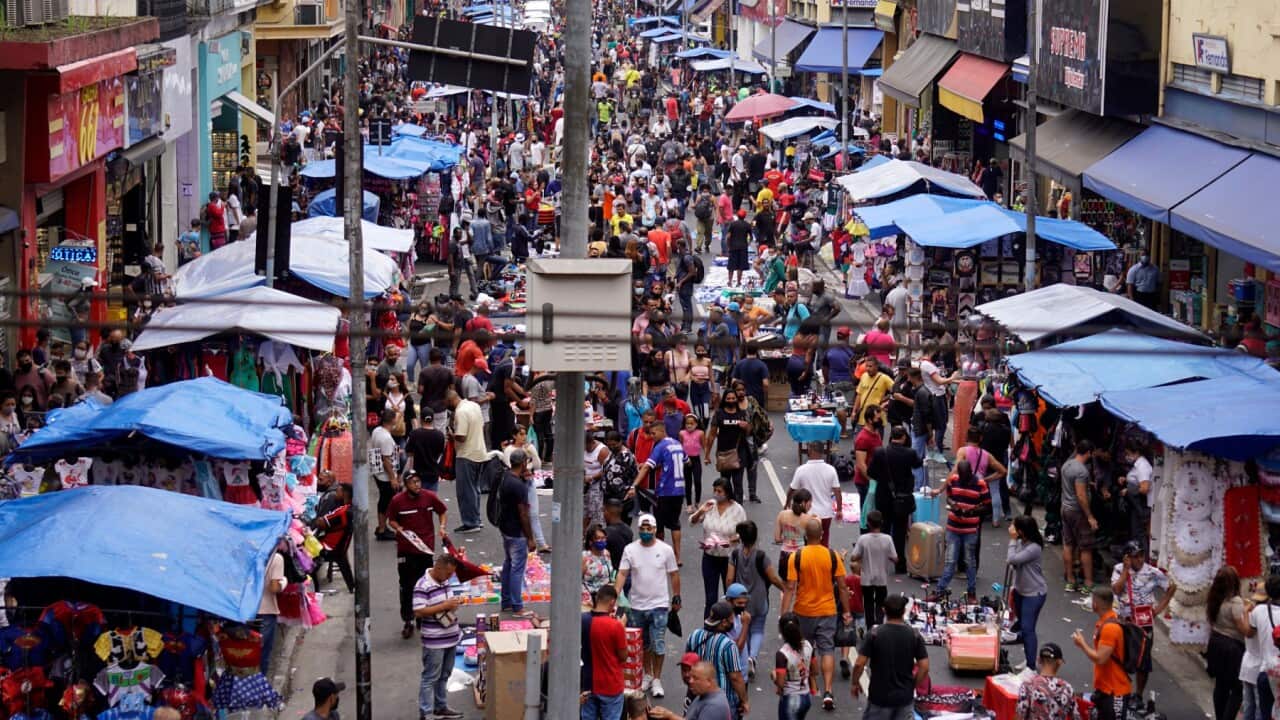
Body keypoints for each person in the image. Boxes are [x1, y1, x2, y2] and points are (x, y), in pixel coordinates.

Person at [782, 519, 852, 711]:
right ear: (821, 535)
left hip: (803, 610)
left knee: (804, 648)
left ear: (805, 535)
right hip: (827, 610)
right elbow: (843, 587)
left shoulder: (796, 557)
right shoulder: (832, 556)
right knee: (827, 649)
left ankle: (805, 686)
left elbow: (790, 587)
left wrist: (784, 614)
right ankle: (828, 690)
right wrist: (846, 612)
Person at [615, 513, 682, 698]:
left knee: (658, 644)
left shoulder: (665, 550)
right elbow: (622, 573)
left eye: (649, 529)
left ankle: (657, 679)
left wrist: (677, 596)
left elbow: (674, 574)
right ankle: (647, 674)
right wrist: (616, 594)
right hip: (637, 605)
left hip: (659, 605)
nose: (645, 532)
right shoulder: (630, 550)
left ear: (654, 529)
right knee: (642, 644)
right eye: (642, 529)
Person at [386, 469, 449, 639]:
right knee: (407, 586)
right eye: (413, 482)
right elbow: (391, 519)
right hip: (406, 550)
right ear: (406, 484)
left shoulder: (429, 497)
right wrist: (398, 528)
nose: (417, 484)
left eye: (418, 481)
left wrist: (442, 527)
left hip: (425, 549)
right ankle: (408, 620)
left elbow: (442, 511)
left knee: (427, 585)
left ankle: (424, 616)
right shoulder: (397, 501)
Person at [849, 594, 930, 720]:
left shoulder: (874, 634)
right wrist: (912, 686)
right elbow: (924, 667)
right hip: (904, 698)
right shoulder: (914, 635)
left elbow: (859, 664)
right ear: (904, 611)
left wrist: (855, 683)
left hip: (879, 698)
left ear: (884, 610)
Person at [1110, 540, 1174, 697]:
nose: (1139, 560)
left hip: (1143, 620)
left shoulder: (1152, 572)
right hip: (1124, 620)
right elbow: (1116, 590)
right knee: (1120, 656)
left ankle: (1138, 695)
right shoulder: (1118, 569)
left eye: (1141, 556)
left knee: (1143, 660)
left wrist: (1158, 610)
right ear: (1127, 557)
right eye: (1135, 556)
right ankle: (1121, 690)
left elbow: (1171, 587)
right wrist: (1126, 570)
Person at [725, 520, 783, 679]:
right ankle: (752, 656)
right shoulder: (761, 556)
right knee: (757, 628)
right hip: (759, 598)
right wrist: (786, 589)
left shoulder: (735, 554)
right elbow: (773, 578)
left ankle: (745, 657)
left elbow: (729, 578)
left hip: (740, 600)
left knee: (745, 628)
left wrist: (729, 596)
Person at [412, 553, 464, 720]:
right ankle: (426, 712)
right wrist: (445, 605)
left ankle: (441, 707)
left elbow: (444, 606)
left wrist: (454, 603)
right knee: (430, 677)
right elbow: (419, 611)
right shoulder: (423, 585)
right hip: (434, 640)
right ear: (438, 568)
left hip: (450, 636)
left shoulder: (444, 581)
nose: (450, 577)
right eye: (448, 573)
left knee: (444, 675)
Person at [930, 459, 990, 602]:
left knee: (970, 561)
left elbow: (987, 506)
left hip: (970, 528)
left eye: (965, 479)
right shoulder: (953, 480)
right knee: (950, 561)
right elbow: (949, 498)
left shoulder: (980, 484)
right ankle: (940, 590)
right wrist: (954, 506)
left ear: (970, 473)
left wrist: (971, 512)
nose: (963, 481)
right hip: (953, 527)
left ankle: (971, 592)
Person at [631, 420, 687, 566]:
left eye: (654, 433)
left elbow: (646, 468)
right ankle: (678, 556)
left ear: (662, 431)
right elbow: (687, 462)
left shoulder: (660, 446)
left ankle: (662, 554)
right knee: (675, 523)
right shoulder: (677, 444)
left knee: (660, 523)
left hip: (665, 489)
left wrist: (634, 485)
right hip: (679, 489)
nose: (652, 436)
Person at [1071, 587, 1131, 720]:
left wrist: (1082, 644)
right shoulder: (1105, 622)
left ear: (1095, 604)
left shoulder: (1110, 628)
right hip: (1104, 688)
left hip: (1115, 691)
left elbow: (1100, 659)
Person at [868, 426, 921, 572]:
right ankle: (900, 563)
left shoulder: (880, 452)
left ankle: (881, 561)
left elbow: (871, 472)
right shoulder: (910, 453)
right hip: (902, 497)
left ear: (891, 437)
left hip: (883, 496)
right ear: (904, 437)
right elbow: (918, 463)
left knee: (883, 528)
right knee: (900, 530)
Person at [690, 478, 747, 617]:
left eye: (719, 491)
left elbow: (745, 531)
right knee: (710, 599)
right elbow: (692, 522)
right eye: (714, 490)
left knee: (731, 596)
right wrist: (701, 511)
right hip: (709, 557)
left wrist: (736, 537)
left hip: (729, 560)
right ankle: (708, 630)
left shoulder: (737, 510)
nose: (716, 494)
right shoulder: (710, 506)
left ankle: (732, 627)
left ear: (727, 493)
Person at [685, 602, 749, 720]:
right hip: (723, 701)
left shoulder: (694, 635)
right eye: (731, 618)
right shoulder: (728, 645)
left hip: (696, 697)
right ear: (724, 622)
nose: (733, 621)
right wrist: (744, 700)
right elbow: (735, 677)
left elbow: (687, 664)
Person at [1206, 565, 1249, 720]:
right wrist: (1247, 612)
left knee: (1221, 685)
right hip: (1231, 648)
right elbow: (1244, 629)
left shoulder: (1215, 598)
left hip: (1216, 643)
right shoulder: (1235, 601)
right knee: (1237, 689)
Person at [498, 449, 537, 617]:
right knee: (517, 569)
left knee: (509, 563)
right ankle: (517, 606)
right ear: (523, 463)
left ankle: (506, 601)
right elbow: (523, 513)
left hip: (505, 527)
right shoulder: (518, 485)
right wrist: (530, 538)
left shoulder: (506, 477)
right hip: (516, 531)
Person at [581, 584, 629, 720]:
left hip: (588, 683)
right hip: (610, 685)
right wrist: (622, 628)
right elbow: (623, 656)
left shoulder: (583, 620)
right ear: (612, 602)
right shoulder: (615, 626)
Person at [1007, 515, 1048, 666]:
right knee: (1024, 627)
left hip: (1034, 594)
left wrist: (1011, 541)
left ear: (1021, 531)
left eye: (1014, 527)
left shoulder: (1034, 548)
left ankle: (1031, 666)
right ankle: (1029, 658)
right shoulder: (1021, 543)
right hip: (1020, 591)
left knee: (1028, 629)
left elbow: (1012, 559)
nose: (1011, 529)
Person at [447, 388, 487, 533]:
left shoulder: (461, 412)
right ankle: (476, 519)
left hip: (466, 454)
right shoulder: (473, 405)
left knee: (466, 491)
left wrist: (452, 435)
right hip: (480, 452)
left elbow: (461, 436)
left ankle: (471, 522)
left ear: (450, 401)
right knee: (474, 488)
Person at [1060, 439, 1098, 592]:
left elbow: (1072, 485)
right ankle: (1088, 583)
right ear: (1088, 453)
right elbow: (1081, 496)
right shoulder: (1081, 470)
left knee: (1068, 545)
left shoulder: (1066, 465)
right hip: (1078, 511)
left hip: (1065, 508)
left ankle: (1070, 580)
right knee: (1086, 548)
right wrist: (1090, 516)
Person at [850, 511, 896, 632]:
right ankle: (879, 626)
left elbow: (853, 557)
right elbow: (895, 558)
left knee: (868, 604)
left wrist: (862, 554)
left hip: (866, 579)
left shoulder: (863, 539)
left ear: (868, 524)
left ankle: (870, 628)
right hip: (882, 578)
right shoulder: (888, 539)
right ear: (881, 523)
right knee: (880, 603)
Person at [702, 388, 750, 503]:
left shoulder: (742, 413)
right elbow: (712, 435)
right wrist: (707, 454)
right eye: (728, 398)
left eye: (733, 398)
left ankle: (739, 509)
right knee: (725, 483)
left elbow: (749, 432)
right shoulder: (719, 414)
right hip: (723, 453)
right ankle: (727, 506)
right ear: (724, 399)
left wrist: (746, 427)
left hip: (739, 452)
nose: (731, 400)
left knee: (738, 483)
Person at [788, 443, 840, 547]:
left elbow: (792, 489)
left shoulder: (801, 470)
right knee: (824, 541)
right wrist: (839, 509)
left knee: (805, 543)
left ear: (810, 451)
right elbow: (837, 491)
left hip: (806, 514)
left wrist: (787, 504)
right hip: (825, 514)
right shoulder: (831, 469)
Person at [955, 426, 1008, 527]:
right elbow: (1003, 471)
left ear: (967, 437)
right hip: (978, 488)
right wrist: (986, 480)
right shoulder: (986, 455)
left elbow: (956, 469)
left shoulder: (962, 451)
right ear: (980, 438)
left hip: (964, 486)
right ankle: (993, 521)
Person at [1244, 575, 1280, 720]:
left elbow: (1249, 633)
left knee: (1263, 714)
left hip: (1265, 671)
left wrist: (1246, 612)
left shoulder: (1258, 612)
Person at [647, 661, 733, 720]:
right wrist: (666, 715)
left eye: (696, 678)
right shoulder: (703, 694)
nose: (690, 681)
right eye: (691, 677)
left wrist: (670, 716)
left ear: (709, 681)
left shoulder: (714, 706)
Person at [1015, 644, 1080, 720]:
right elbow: (1075, 717)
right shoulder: (1067, 689)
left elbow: (1020, 715)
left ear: (1039, 660)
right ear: (1059, 662)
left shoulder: (1028, 686)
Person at [774, 613, 817, 720]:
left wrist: (773, 675)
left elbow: (780, 683)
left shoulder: (782, 654)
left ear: (781, 630)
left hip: (791, 699)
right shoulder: (808, 645)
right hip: (806, 697)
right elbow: (815, 670)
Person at [369, 409, 401, 541]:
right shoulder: (386, 438)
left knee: (384, 500)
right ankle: (382, 528)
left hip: (378, 473)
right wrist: (393, 478)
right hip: (385, 476)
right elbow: (386, 459)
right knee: (386, 501)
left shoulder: (377, 431)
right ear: (392, 420)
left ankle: (382, 526)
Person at [1120, 439, 1154, 559]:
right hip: (1136, 505)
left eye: (1128, 453)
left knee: (1139, 533)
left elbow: (1144, 488)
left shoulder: (1142, 466)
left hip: (1142, 505)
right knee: (1136, 531)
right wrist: (1126, 479)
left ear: (1136, 452)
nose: (1127, 456)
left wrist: (1129, 490)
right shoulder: (1138, 464)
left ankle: (1143, 559)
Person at [257, 544, 287, 676]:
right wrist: (284, 583)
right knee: (262, 654)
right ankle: (259, 688)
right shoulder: (276, 558)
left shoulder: (248, 556)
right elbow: (274, 588)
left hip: (246, 612)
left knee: (247, 655)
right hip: (266, 612)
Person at [774, 489, 814, 581]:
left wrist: (788, 538)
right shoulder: (809, 519)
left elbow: (777, 539)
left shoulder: (782, 514)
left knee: (786, 588)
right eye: (810, 502)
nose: (811, 505)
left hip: (784, 556)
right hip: (801, 556)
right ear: (804, 503)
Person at [403, 414, 446, 493]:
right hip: (433, 474)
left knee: (418, 502)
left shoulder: (414, 434)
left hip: (418, 475)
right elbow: (441, 453)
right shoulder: (440, 435)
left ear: (421, 420)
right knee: (431, 501)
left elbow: (409, 453)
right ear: (432, 420)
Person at [680, 414, 705, 510]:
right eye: (687, 423)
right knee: (688, 482)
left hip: (696, 459)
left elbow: (704, 445)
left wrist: (707, 457)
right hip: (686, 460)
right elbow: (681, 446)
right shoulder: (682, 433)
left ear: (696, 424)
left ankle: (697, 502)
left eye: (691, 423)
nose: (689, 425)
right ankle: (689, 504)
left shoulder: (700, 433)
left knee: (697, 481)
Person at [583, 523, 615, 597]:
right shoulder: (585, 557)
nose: (602, 540)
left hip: (606, 597)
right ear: (590, 541)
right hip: (590, 597)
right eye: (598, 538)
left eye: (603, 538)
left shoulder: (606, 553)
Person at [603, 497, 634, 570]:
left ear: (607, 512)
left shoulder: (606, 533)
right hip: (626, 570)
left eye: (603, 511)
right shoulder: (629, 530)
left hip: (612, 572)